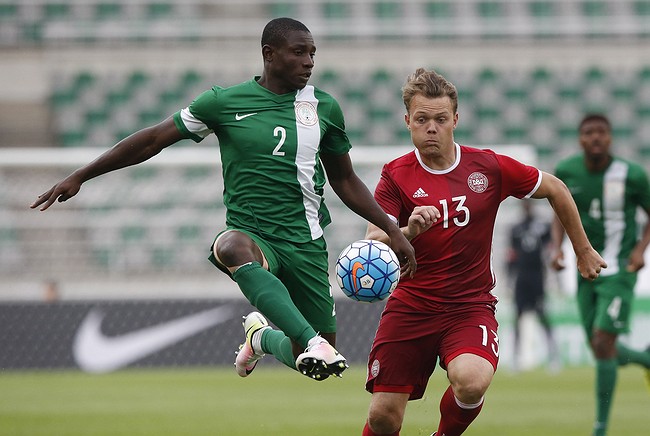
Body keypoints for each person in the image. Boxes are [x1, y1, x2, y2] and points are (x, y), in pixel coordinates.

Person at [30, 17, 416, 382]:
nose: (309, 62)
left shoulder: (324, 107)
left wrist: (390, 229)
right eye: (298, 52)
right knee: (230, 245)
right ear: (269, 54)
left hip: (306, 240)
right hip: (253, 234)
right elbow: (151, 139)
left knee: (316, 362)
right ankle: (309, 339)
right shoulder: (222, 102)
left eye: (312, 53)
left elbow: (345, 179)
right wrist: (82, 175)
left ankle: (262, 339)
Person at [360, 68, 606, 436]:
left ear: (455, 120)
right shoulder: (395, 175)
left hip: (468, 305)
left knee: (471, 380)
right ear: (407, 120)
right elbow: (373, 240)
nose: (431, 127)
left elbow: (555, 187)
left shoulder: (487, 167)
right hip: (412, 304)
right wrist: (407, 230)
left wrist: (582, 250)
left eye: (440, 119)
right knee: (382, 418)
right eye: (422, 119)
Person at [550, 113, 650, 436]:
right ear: (580, 139)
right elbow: (559, 210)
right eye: (589, 132)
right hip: (585, 271)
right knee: (600, 348)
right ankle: (645, 359)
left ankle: (600, 428)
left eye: (601, 132)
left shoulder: (632, 175)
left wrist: (640, 250)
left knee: (603, 341)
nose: (595, 138)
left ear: (610, 138)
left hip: (620, 270)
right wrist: (558, 248)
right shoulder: (567, 171)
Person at [506, 199, 559, 372]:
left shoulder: (542, 227)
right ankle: (515, 357)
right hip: (522, 278)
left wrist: (556, 279)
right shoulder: (515, 229)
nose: (527, 208)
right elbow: (511, 256)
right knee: (518, 316)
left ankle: (554, 356)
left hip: (537, 276)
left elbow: (551, 250)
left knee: (543, 315)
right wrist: (509, 281)